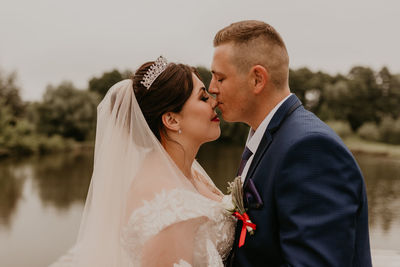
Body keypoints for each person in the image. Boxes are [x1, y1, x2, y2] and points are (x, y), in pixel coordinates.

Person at [209, 20, 372, 267]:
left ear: (257, 79)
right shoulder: (267, 137)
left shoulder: (310, 150)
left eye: (220, 78)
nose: (212, 89)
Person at [49, 56, 235, 267]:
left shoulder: (187, 170)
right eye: (203, 98)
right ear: (172, 120)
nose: (214, 101)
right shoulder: (170, 209)